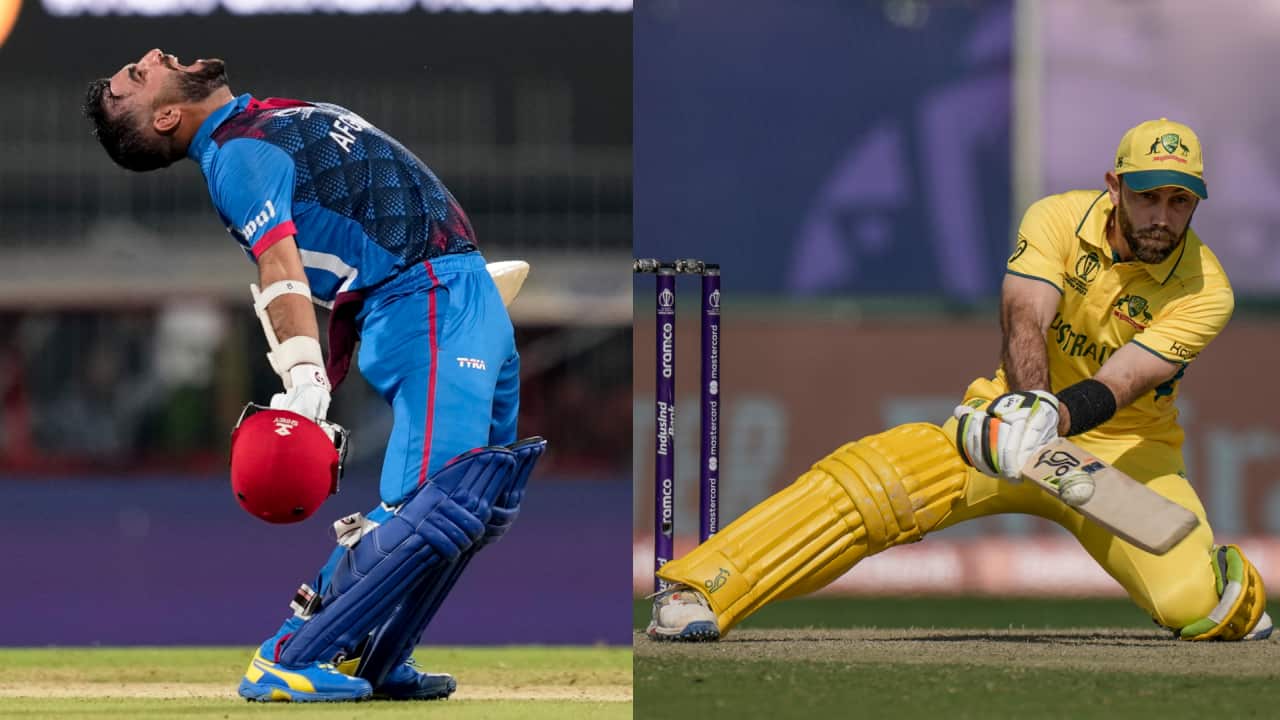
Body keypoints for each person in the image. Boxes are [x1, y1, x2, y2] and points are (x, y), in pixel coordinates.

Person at [647, 118, 1271, 644]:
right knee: (870, 487)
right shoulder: (1057, 218)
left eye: (1180, 201)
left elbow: (1125, 379)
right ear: (1115, 187)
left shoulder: (1206, 289)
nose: (1163, 217)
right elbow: (1025, 314)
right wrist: (1027, 409)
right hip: (1000, 428)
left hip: (1124, 457)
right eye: (1147, 197)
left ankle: (1214, 575)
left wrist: (1051, 421)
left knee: (1196, 608)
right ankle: (701, 588)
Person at [84, 49, 531, 701]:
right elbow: (278, 266)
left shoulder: (253, 123)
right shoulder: (235, 158)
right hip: (421, 304)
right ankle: (290, 654)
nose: (153, 55)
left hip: (458, 294)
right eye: (139, 75)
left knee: (485, 502)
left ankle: (372, 657)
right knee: (441, 501)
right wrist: (303, 377)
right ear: (167, 116)